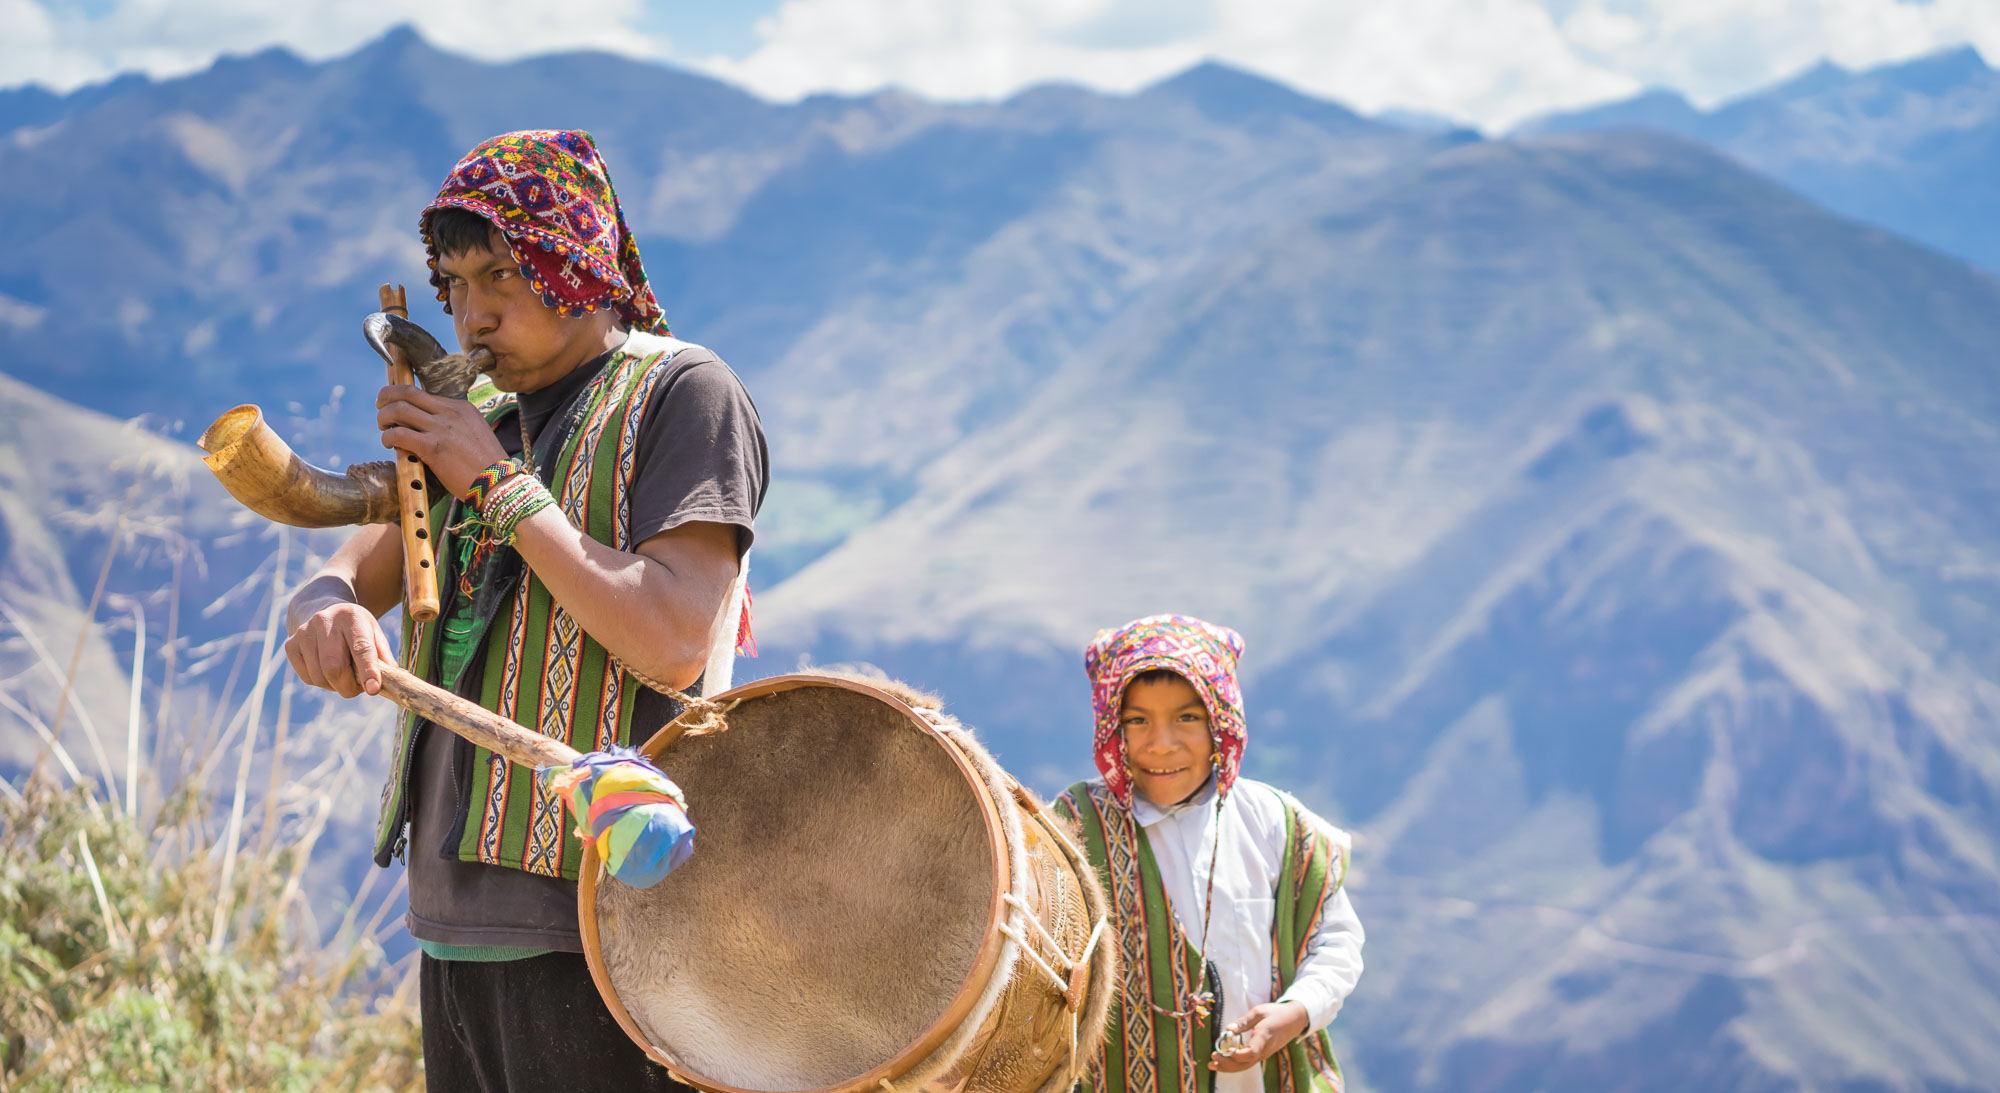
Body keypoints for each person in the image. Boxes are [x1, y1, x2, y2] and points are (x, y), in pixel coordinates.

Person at [282, 129, 767, 1092]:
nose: (471, 313)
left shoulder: (681, 394)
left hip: (607, 923)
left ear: (573, 257)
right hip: (454, 926)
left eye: (501, 272)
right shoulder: (487, 415)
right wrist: (325, 607)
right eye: (454, 285)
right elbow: (342, 573)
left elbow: (673, 641)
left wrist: (497, 486)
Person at [1052, 615, 1364, 1093]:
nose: (1161, 743)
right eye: (1137, 720)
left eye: (1187, 717)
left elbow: (1335, 940)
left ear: (1222, 721)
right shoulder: (1076, 829)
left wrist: (1296, 1011)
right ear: (1113, 728)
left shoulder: (1274, 823)